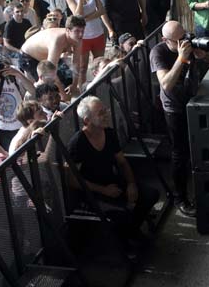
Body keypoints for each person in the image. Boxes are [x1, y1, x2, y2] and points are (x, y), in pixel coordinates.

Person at [150, 20, 209, 217]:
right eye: (178, 40)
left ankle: (206, 188)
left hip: (196, 100)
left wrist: (203, 54)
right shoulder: (159, 52)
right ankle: (180, 198)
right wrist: (180, 59)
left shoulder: (190, 42)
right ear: (166, 40)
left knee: (202, 145)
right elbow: (166, 84)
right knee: (179, 153)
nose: (184, 42)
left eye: (185, 36)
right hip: (175, 107)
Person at [67, 96, 159, 242]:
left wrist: (131, 184)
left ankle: (130, 233)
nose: (106, 115)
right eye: (100, 113)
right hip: (92, 193)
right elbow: (72, 181)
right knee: (121, 214)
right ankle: (127, 239)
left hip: (112, 182)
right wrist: (102, 190)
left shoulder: (109, 133)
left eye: (105, 110)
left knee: (151, 194)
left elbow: (122, 162)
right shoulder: (78, 143)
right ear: (87, 120)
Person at [65, 0, 114, 86]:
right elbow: (77, 14)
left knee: (100, 65)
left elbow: (101, 10)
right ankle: (82, 93)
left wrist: (85, 20)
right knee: (82, 68)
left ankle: (102, 88)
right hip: (83, 37)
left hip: (97, 33)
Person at [20, 15, 86, 93]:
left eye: (82, 31)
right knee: (47, 86)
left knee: (68, 79)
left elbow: (76, 63)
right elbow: (50, 71)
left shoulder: (78, 38)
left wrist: (74, 85)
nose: (81, 34)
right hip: (28, 56)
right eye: (77, 31)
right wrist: (63, 94)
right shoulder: (58, 40)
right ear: (68, 30)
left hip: (45, 57)